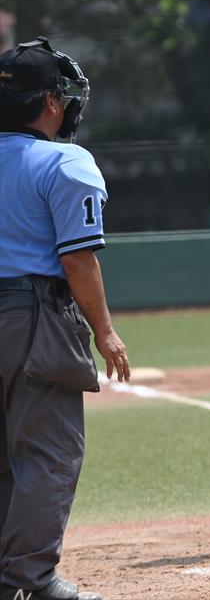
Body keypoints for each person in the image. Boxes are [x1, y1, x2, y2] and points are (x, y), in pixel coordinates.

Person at [0, 37, 131, 600]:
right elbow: (77, 258)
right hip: (31, 316)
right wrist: (105, 331)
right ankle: (27, 580)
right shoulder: (66, 161)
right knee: (48, 452)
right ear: (51, 102)